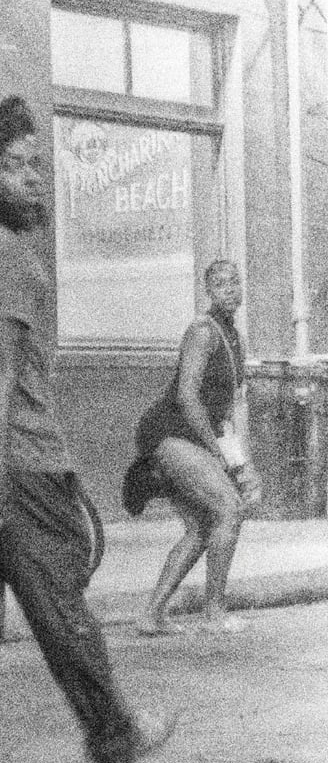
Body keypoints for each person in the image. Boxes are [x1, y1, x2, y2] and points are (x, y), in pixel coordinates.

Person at [0, 96, 175, 763]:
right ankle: (113, 735)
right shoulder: (9, 257)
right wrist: (0, 469)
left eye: (37, 164)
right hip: (17, 462)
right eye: (14, 166)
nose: (33, 179)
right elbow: (2, 369)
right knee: (59, 609)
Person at [124, 260, 261, 636]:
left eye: (234, 282)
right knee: (229, 509)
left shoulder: (233, 336)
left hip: (194, 437)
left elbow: (230, 411)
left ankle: (150, 616)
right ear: (208, 291)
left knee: (202, 526)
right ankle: (214, 611)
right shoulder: (203, 332)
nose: (230, 289)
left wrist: (242, 464)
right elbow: (186, 397)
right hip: (171, 433)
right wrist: (216, 454)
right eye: (220, 284)